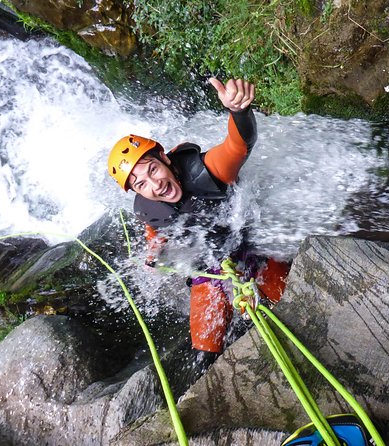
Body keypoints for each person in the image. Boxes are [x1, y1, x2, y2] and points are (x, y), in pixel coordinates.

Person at [107, 78, 289, 353]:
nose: (154, 185)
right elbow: (155, 226)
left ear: (165, 159)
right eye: (141, 184)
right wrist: (152, 251)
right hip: (212, 267)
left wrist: (239, 112)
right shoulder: (147, 206)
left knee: (289, 308)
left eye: (152, 170)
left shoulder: (206, 172)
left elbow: (237, 147)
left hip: (254, 249)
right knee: (204, 347)